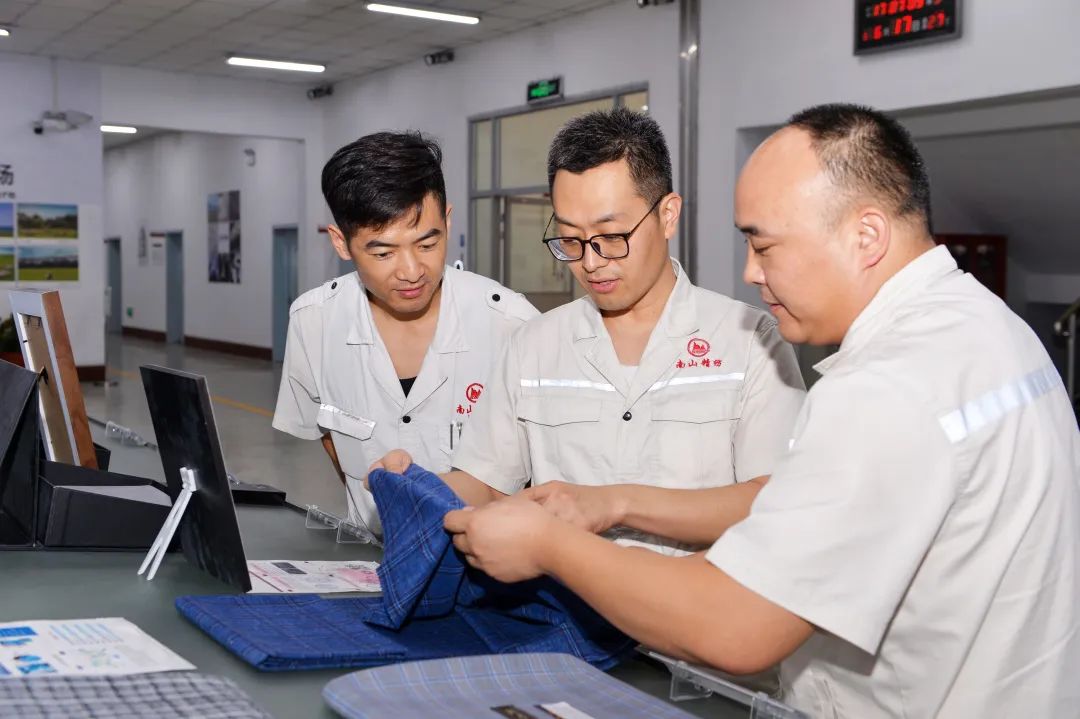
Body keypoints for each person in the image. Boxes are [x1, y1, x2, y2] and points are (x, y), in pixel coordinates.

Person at [441, 104, 1080, 717]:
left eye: (765, 245)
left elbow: (736, 626)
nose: (749, 271)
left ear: (866, 236)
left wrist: (551, 544)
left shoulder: (885, 386)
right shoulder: (991, 329)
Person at [379, 107, 805, 555]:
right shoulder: (534, 346)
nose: (591, 261)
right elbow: (488, 484)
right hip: (563, 597)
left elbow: (772, 499)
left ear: (668, 215)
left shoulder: (748, 341)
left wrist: (617, 505)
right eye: (570, 239)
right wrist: (420, 489)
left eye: (612, 236)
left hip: (698, 594)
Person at [272, 131, 537, 535]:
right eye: (383, 253)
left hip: (488, 558)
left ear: (447, 221)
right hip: (373, 553)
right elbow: (329, 438)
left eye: (427, 245)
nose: (412, 272)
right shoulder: (314, 322)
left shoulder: (512, 324)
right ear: (341, 243)